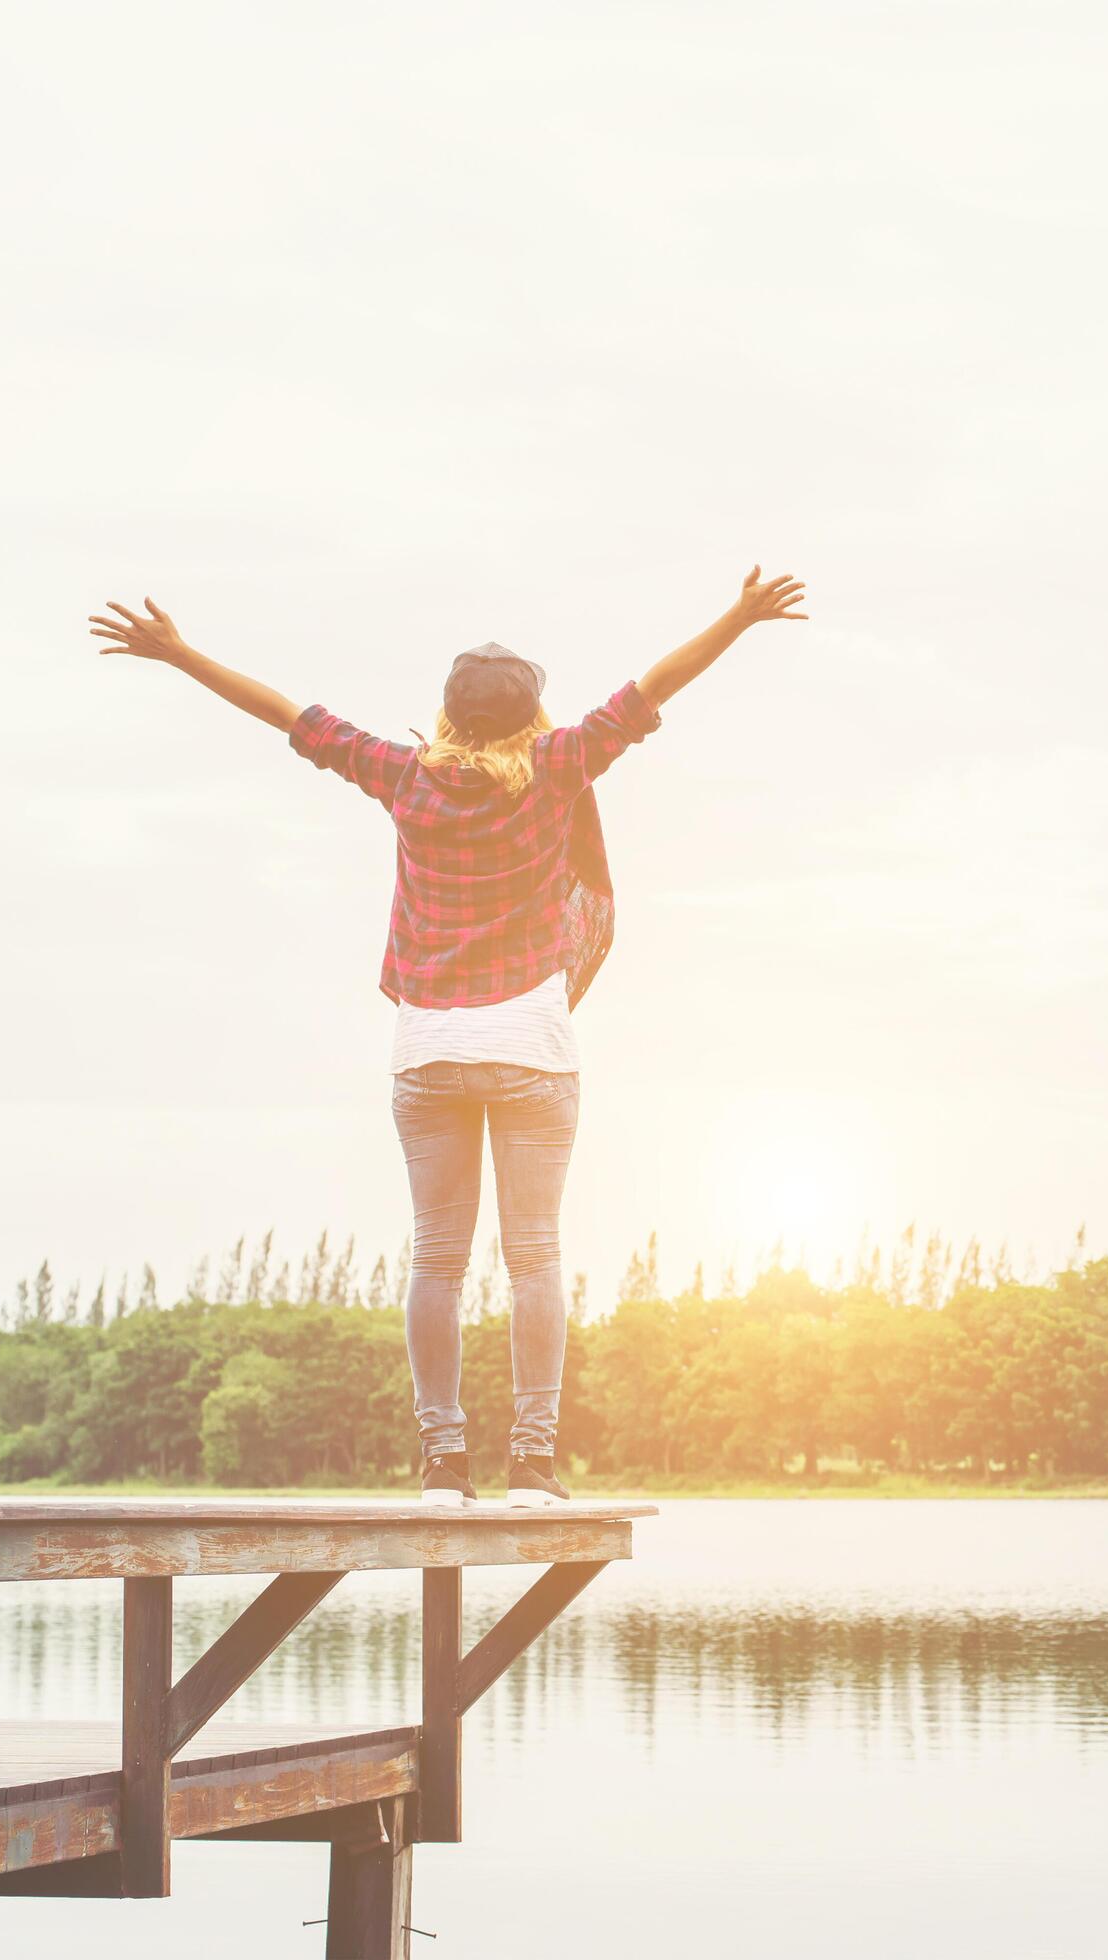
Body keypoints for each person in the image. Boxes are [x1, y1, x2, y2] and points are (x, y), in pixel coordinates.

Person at [86, 569, 810, 1506]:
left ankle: (441, 1462)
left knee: (437, 1257)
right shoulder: (560, 767)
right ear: (532, 714)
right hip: (530, 1046)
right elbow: (653, 687)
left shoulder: (400, 774)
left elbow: (287, 714)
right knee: (534, 1254)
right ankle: (533, 1465)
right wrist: (741, 617)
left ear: (450, 712)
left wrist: (177, 652)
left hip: (426, 1049)